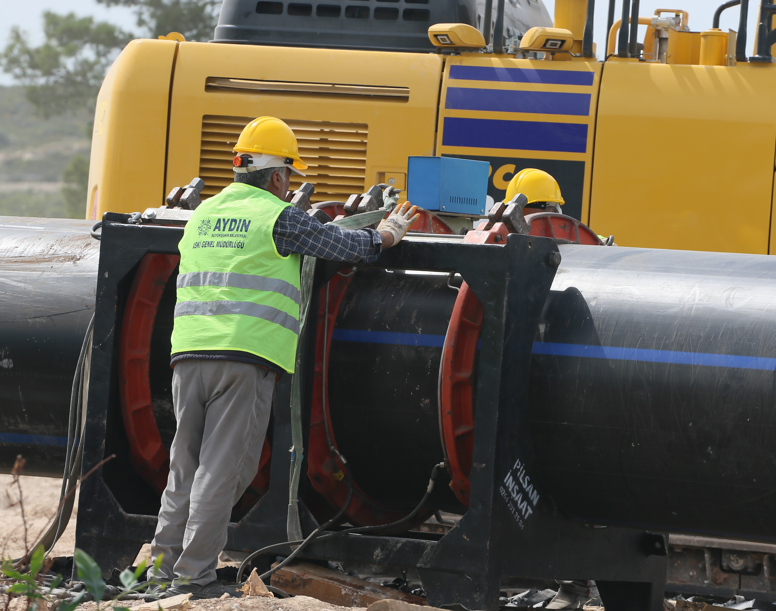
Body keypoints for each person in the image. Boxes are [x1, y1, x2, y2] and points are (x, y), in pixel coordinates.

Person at [146, 116, 419, 599]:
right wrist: (389, 232)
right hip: (244, 357)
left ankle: (160, 574)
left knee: (184, 469)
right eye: (288, 175)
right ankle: (194, 578)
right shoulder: (278, 215)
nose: (288, 184)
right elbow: (346, 246)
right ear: (277, 176)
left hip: (187, 355)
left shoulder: (203, 214)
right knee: (224, 469)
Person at [505, 168, 601, 610]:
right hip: (577, 389)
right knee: (572, 487)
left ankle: (575, 586)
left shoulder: (526, 244)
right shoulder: (580, 244)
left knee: (546, 488)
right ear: (558, 207)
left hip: (539, 389)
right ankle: (575, 585)